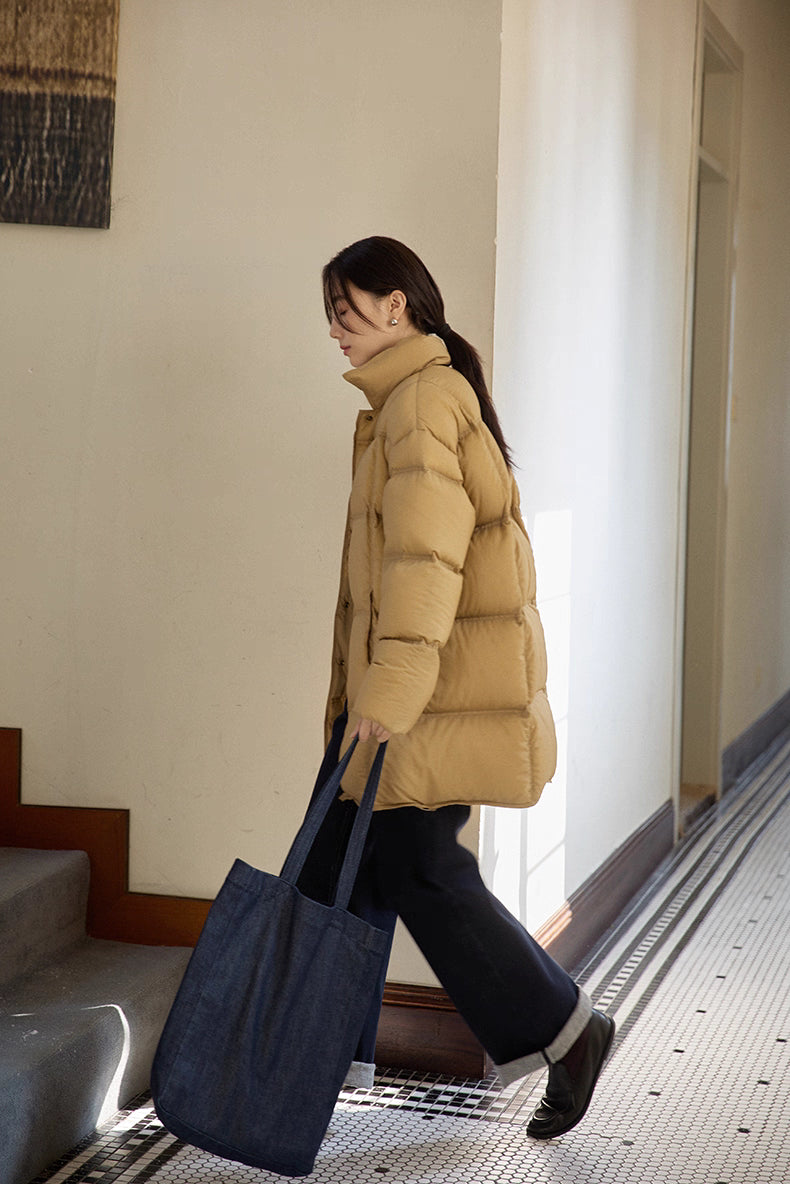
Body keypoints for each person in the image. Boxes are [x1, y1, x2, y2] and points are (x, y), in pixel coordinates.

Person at [302, 235, 614, 1140]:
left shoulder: (420, 407)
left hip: (419, 703)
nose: (336, 331)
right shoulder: (413, 399)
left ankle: (567, 1031)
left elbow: (424, 567)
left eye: (348, 311)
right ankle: (309, 1074)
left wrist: (386, 694)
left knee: (414, 871)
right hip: (412, 696)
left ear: (397, 305)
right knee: (344, 869)